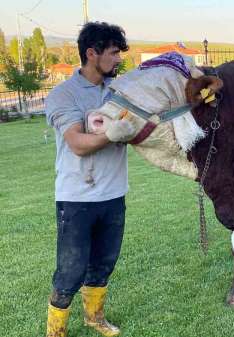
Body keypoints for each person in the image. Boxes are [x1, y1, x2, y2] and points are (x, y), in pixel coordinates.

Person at [45, 21, 136, 337]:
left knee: (103, 265)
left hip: (113, 195)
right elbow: (78, 145)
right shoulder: (63, 94)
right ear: (91, 53)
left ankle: (94, 317)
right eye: (112, 53)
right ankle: (55, 331)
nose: (117, 60)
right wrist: (114, 133)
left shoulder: (118, 92)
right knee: (70, 271)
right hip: (76, 198)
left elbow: (135, 131)